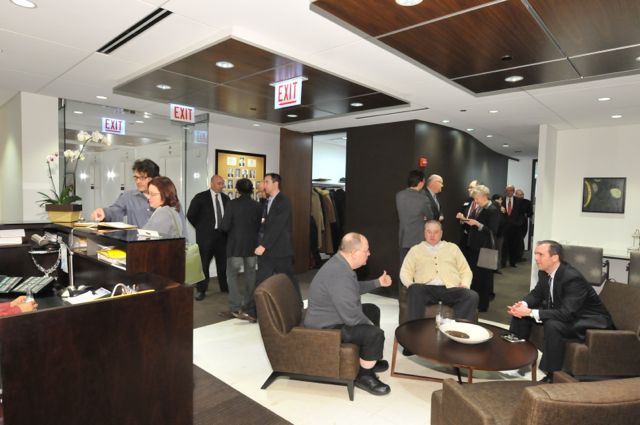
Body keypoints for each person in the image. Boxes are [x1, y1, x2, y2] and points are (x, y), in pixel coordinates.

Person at [507, 240, 614, 383]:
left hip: (590, 320)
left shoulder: (572, 277)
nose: (536, 258)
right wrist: (523, 305)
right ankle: (518, 360)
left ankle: (552, 374)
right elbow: (537, 294)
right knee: (520, 315)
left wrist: (530, 312)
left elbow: (566, 313)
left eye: (540, 254)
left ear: (554, 257)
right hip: (569, 314)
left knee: (553, 324)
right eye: (535, 254)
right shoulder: (544, 272)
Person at [304, 233, 392, 396]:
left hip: (333, 316)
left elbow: (352, 287)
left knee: (372, 310)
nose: (369, 253)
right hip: (326, 327)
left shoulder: (340, 264)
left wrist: (377, 282)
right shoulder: (339, 273)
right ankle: (364, 375)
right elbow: (352, 317)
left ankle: (369, 358)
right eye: (366, 250)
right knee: (374, 334)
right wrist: (371, 326)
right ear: (355, 253)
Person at [400, 220, 477, 323]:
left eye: (436, 232)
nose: (432, 235)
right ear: (424, 233)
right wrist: (410, 284)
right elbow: (405, 271)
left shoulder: (453, 248)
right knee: (415, 289)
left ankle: (459, 329)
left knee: (471, 295)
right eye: (429, 232)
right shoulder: (415, 250)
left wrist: (465, 284)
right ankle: (415, 328)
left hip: (450, 289)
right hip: (426, 289)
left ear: (441, 233)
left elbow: (466, 270)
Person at [220, 178, 263, 322]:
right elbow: (259, 227)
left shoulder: (232, 204)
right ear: (251, 190)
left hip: (235, 246)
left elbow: (225, 226)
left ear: (237, 190)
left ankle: (235, 307)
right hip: (252, 246)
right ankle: (248, 306)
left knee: (232, 275)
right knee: (251, 275)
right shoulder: (258, 206)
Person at [254, 173, 299, 295]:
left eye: (267, 182)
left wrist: (263, 245)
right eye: (264, 182)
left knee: (288, 280)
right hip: (269, 250)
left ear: (276, 184)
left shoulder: (283, 201)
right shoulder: (268, 201)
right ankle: (253, 306)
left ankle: (297, 302)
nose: (264, 185)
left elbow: (277, 226)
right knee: (261, 280)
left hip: (280, 250)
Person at [187, 175, 230, 300]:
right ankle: (201, 290)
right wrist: (201, 228)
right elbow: (191, 215)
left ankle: (224, 286)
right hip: (206, 237)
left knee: (222, 263)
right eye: (219, 183)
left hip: (222, 236)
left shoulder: (226, 198)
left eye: (222, 183)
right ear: (211, 183)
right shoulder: (200, 197)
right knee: (204, 264)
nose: (221, 186)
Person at [90, 159, 160, 227]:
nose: (138, 181)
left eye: (142, 178)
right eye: (136, 178)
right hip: (136, 235)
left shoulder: (163, 196)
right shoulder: (128, 196)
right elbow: (115, 210)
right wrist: (103, 212)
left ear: (154, 178)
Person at [465, 185, 500, 312]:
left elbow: (493, 230)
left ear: (484, 196)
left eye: (477, 198)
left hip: (485, 248)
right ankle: (475, 302)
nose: (475, 201)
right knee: (476, 277)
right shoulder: (480, 207)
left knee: (484, 278)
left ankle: (482, 305)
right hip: (475, 247)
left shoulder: (493, 210)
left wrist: (477, 224)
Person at [395, 170, 430, 260]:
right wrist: (424, 218)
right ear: (421, 183)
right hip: (418, 239)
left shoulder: (399, 195)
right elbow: (430, 217)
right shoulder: (423, 199)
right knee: (418, 265)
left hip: (403, 238)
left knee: (405, 264)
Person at [502, 184, 526, 267]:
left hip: (515, 228)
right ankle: (503, 263)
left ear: (513, 191)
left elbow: (522, 214)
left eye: (511, 190)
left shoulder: (518, 201)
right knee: (504, 245)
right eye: (507, 190)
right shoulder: (502, 200)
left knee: (514, 245)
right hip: (504, 227)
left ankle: (513, 262)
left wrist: (519, 223)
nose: (509, 192)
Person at [455, 179, 478, 254]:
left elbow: (477, 222)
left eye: (471, 187)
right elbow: (461, 215)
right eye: (469, 187)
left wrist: (463, 219)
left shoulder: (484, 204)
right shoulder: (468, 201)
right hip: (465, 237)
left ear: (478, 188)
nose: (468, 189)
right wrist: (461, 219)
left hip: (477, 240)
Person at [515, 189, 533, 261]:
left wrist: (526, 215)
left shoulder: (527, 202)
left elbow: (530, 213)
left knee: (520, 240)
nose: (520, 196)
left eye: (522, 194)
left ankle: (519, 256)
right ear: (515, 194)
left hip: (523, 224)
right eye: (518, 194)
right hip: (512, 224)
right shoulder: (512, 202)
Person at [491, 193, 507, 273]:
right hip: (493, 233)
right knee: (492, 250)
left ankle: (496, 267)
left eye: (501, 200)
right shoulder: (492, 208)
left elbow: (504, 220)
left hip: (500, 233)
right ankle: (492, 267)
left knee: (498, 251)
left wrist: (504, 212)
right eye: (499, 199)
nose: (501, 201)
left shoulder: (502, 209)